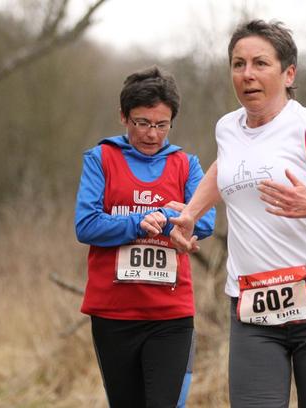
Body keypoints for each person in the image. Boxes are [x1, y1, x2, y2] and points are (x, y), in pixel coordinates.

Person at [170, 20, 306, 408]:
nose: (247, 74)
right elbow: (224, 167)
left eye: (260, 63)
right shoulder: (227, 128)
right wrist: (191, 212)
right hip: (252, 308)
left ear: (289, 74)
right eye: (238, 64)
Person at [75, 66, 215, 408]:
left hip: (171, 314)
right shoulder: (101, 158)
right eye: (142, 123)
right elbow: (87, 225)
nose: (152, 134)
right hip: (113, 314)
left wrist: (163, 217)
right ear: (123, 117)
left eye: (162, 125)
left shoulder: (186, 164)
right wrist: (140, 222)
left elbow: (205, 221)